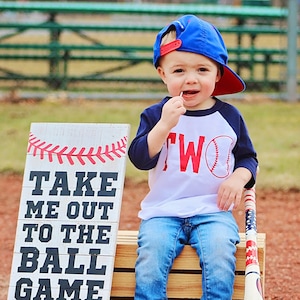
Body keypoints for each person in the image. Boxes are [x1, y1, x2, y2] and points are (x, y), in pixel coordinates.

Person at [128, 14, 258, 300]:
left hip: (213, 211)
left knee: (221, 255)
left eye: (202, 69)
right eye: (178, 71)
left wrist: (238, 179)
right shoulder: (154, 115)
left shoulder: (229, 116)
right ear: (163, 74)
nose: (191, 79)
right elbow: (140, 158)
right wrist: (163, 126)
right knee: (150, 259)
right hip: (163, 211)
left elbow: (248, 159)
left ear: (218, 74)